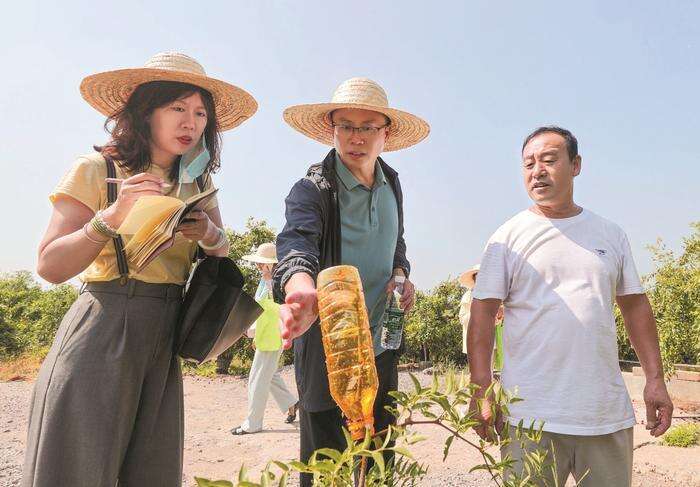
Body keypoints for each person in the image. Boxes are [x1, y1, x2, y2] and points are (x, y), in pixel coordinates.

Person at [23, 51, 257, 487]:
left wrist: (206, 232)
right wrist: (109, 217)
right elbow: (49, 266)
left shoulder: (198, 184)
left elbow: (221, 251)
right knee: (76, 468)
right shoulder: (98, 169)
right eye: (178, 108)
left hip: (166, 333)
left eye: (201, 113)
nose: (191, 122)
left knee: (153, 472)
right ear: (146, 111)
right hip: (104, 325)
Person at [467, 126, 673, 486]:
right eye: (528, 163)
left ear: (575, 165)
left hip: (603, 414)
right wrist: (481, 391)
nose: (537, 171)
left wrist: (655, 379)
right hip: (529, 419)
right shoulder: (506, 238)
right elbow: (482, 315)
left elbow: (635, 306)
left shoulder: (610, 234)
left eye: (549, 160)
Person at [273, 77, 429, 486]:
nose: (355, 137)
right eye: (345, 125)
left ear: (386, 133)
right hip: (331, 350)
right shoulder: (313, 189)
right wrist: (300, 287)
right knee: (329, 463)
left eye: (367, 127)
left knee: (379, 459)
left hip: (382, 344)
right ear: (331, 129)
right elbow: (296, 242)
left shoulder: (392, 183)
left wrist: (401, 275)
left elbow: (396, 242)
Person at [231, 242, 298, 435]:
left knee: (257, 380)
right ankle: (291, 403)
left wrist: (269, 281)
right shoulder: (264, 280)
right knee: (269, 376)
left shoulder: (277, 281)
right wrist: (253, 333)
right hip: (265, 335)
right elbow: (260, 310)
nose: (258, 266)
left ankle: (253, 423)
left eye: (262, 263)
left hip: (273, 337)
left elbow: (279, 305)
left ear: (270, 264)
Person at [458, 265, 503, 373]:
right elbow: (462, 318)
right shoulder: (468, 296)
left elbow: (497, 321)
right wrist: (476, 312)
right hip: (473, 339)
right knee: (475, 375)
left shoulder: (492, 297)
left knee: (489, 373)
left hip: (489, 340)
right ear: (474, 279)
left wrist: (498, 316)